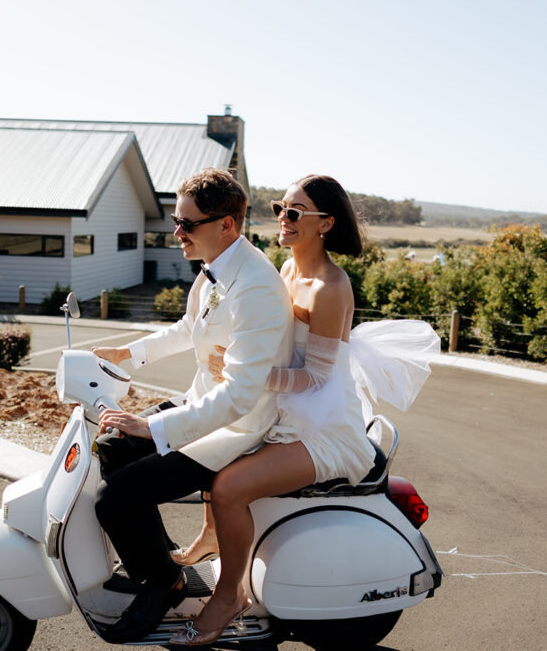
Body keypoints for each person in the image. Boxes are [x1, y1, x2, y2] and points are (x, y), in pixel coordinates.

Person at [170, 175, 438, 646]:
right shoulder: (284, 270)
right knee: (212, 444)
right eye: (280, 208)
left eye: (294, 213)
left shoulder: (330, 287)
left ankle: (229, 597)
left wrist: (245, 375)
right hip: (284, 409)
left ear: (325, 224)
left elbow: (314, 377)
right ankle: (212, 538)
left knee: (229, 486)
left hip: (324, 426)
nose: (282, 220)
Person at [87, 168, 294, 643]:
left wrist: (154, 427)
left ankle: (161, 584)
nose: (176, 233)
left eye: (187, 224)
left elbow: (242, 396)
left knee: (113, 499)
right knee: (113, 447)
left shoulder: (255, 286)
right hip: (205, 405)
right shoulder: (215, 267)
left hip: (236, 429)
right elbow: (187, 328)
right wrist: (128, 353)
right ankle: (162, 566)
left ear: (227, 225)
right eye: (175, 222)